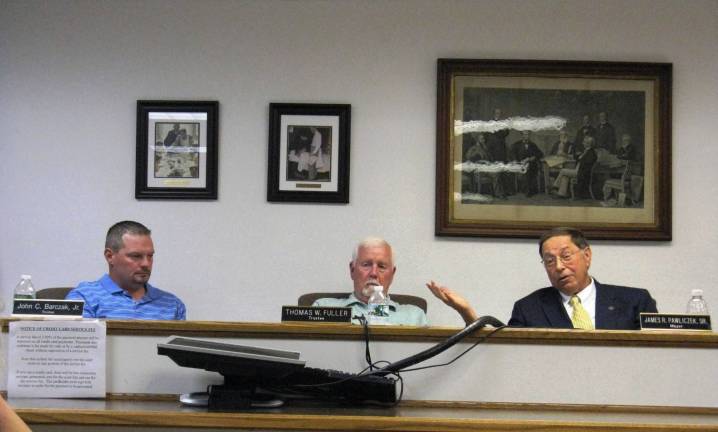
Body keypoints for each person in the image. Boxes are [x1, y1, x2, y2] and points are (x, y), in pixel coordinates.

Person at [428, 227, 657, 330]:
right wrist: (468, 314)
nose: (558, 266)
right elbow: (506, 353)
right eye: (549, 261)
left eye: (566, 256)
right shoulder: (528, 309)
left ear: (587, 255)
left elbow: (657, 357)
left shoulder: (635, 301)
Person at [66, 221, 186, 320]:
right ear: (110, 256)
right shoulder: (84, 298)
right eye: (136, 256)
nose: (146, 263)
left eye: (150, 256)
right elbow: (81, 347)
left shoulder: (172, 305)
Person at [312, 237, 427, 326]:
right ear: (352, 270)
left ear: (392, 274)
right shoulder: (323, 308)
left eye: (382, 266)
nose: (374, 273)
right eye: (366, 265)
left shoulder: (414, 316)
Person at [511, 131, 543, 197]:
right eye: (525, 134)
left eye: (528, 134)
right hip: (520, 164)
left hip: (531, 165)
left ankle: (528, 191)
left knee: (529, 168)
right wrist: (516, 161)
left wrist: (531, 158)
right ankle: (522, 190)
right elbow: (512, 154)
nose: (526, 136)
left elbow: (540, 154)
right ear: (522, 135)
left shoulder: (533, 145)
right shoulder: (517, 144)